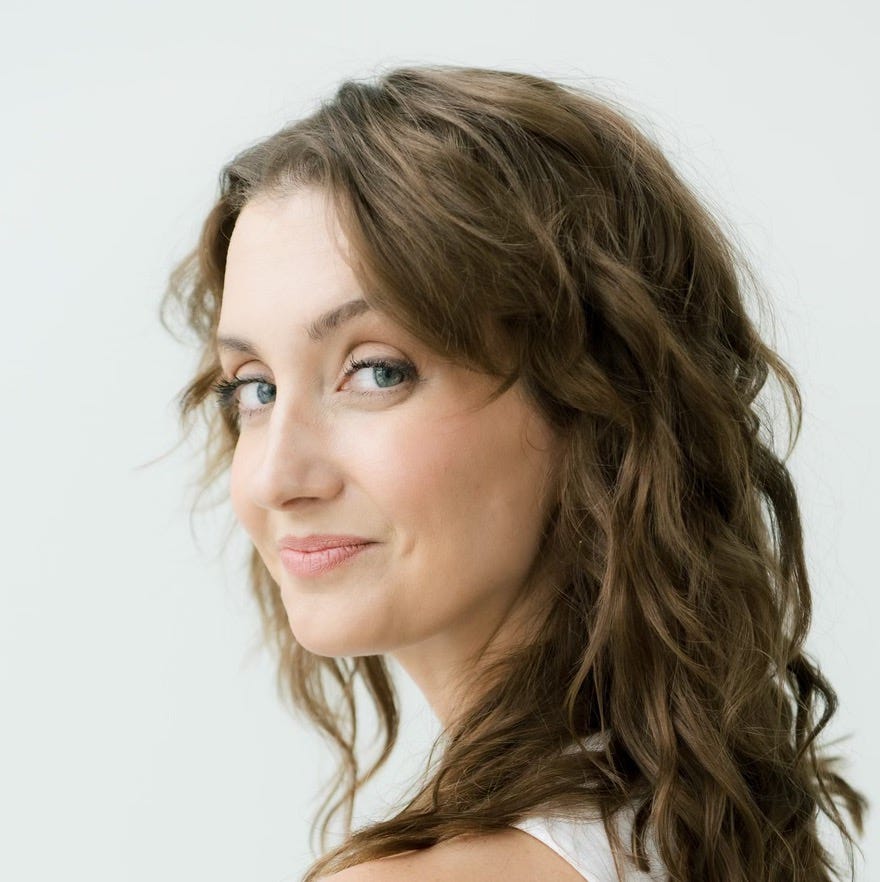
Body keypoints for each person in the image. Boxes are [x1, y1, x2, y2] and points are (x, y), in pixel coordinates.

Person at [159, 64, 867, 882]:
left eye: (377, 371)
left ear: (592, 401)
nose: (276, 478)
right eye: (253, 388)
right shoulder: (710, 832)